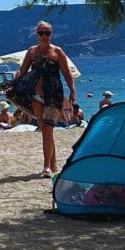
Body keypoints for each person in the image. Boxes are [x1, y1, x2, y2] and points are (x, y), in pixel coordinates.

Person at [15, 20, 79, 178]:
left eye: (47, 33)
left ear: (51, 34)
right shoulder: (31, 52)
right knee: (45, 130)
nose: (44, 35)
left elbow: (66, 72)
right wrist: (14, 86)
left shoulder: (57, 51)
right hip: (36, 96)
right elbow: (22, 72)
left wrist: (72, 89)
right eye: (41, 32)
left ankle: (46, 166)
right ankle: (53, 164)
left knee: (48, 129)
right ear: (37, 34)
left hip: (54, 95)